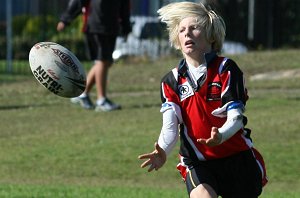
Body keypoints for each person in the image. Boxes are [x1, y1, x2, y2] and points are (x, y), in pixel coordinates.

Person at [138, 2, 268, 198]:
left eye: (194, 28)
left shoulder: (226, 68)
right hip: (198, 161)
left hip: (237, 158)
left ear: (211, 35)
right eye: (182, 30)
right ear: (177, 38)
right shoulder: (171, 81)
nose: (187, 34)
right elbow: (170, 126)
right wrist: (163, 150)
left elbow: (235, 118)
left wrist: (220, 137)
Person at [57, 0, 131, 111]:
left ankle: (82, 94)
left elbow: (124, 6)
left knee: (106, 62)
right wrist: (66, 19)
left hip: (111, 27)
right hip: (95, 25)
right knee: (102, 61)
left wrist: (126, 26)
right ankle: (101, 100)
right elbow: (79, 2)